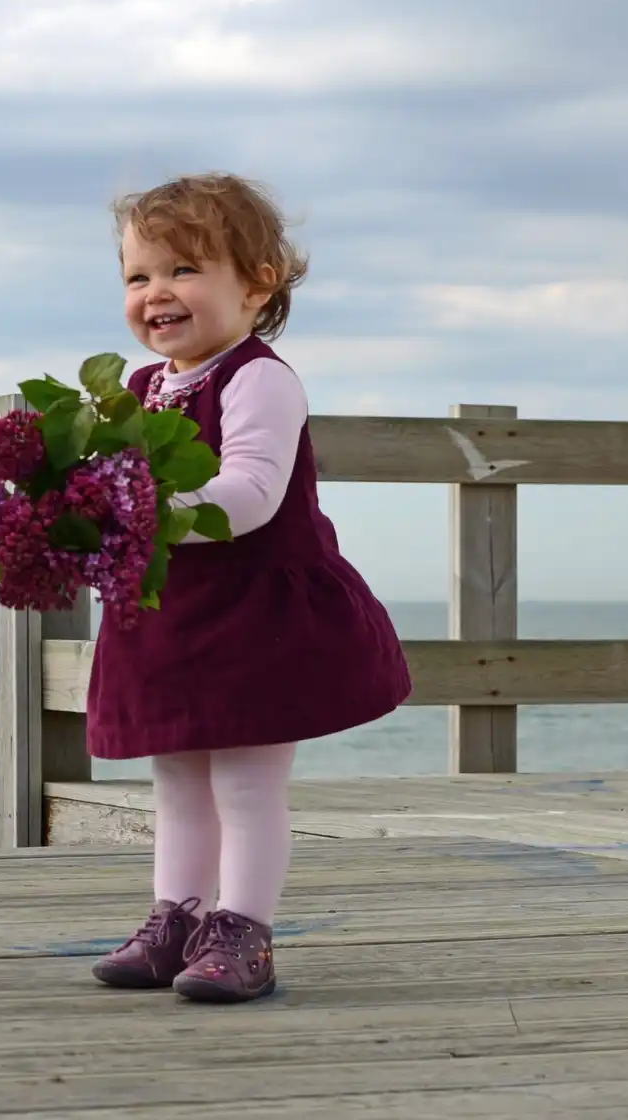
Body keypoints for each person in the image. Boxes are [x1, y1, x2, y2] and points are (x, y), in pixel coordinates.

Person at [85, 173, 411, 1003]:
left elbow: (251, 495)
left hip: (256, 617)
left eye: (184, 269)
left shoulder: (259, 378)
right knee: (178, 781)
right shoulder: (137, 390)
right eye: (138, 276)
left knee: (246, 782)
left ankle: (244, 931)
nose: (157, 292)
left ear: (258, 282)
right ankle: (178, 920)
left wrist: (151, 511)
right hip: (172, 614)